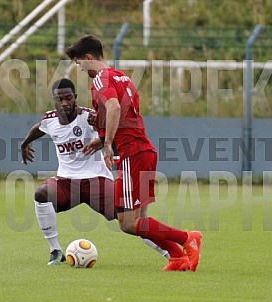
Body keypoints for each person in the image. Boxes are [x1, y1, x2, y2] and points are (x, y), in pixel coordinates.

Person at [66, 35, 203, 271]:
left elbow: (114, 107)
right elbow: (126, 116)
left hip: (132, 154)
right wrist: (102, 140)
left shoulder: (100, 79)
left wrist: (108, 143)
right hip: (144, 150)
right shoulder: (123, 77)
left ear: (88, 58)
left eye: (79, 63)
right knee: (141, 221)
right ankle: (177, 257)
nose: (80, 68)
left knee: (128, 223)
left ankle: (187, 237)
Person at [21, 78, 169, 265]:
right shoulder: (50, 120)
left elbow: (115, 137)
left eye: (68, 98)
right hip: (67, 182)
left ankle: (168, 252)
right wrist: (25, 143)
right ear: (54, 100)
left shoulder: (89, 116)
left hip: (96, 181)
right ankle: (55, 251)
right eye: (60, 99)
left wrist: (100, 128)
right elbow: (38, 129)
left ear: (75, 97)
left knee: (131, 219)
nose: (65, 103)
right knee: (41, 194)